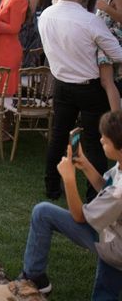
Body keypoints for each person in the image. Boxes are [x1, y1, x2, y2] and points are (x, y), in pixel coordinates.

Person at [18, 110, 122, 299]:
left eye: (105, 140)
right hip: (116, 235)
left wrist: (68, 179)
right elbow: (106, 186)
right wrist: (86, 165)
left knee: (43, 212)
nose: (100, 141)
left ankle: (34, 277)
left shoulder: (119, 193)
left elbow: (80, 216)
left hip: (115, 246)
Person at [38, 0, 122, 201]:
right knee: (93, 141)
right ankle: (93, 195)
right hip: (88, 88)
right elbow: (118, 54)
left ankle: (52, 187)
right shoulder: (89, 20)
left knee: (58, 135)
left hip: (62, 85)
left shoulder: (46, 14)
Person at [95, 0, 122, 111]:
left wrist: (106, 8)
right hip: (105, 43)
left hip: (110, 42)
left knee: (107, 81)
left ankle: (116, 116)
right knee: (106, 81)